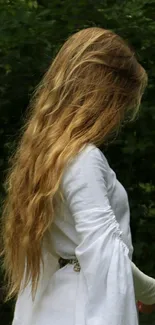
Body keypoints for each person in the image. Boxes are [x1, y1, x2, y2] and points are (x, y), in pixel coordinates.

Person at [1, 27, 155, 325]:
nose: (120, 117)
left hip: (55, 307)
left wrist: (148, 290)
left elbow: (84, 253)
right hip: (82, 310)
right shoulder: (85, 159)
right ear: (106, 95)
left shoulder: (48, 158)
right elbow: (101, 258)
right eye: (122, 102)